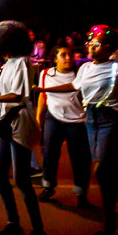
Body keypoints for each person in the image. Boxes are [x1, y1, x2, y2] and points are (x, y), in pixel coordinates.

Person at [42, 25, 118, 235]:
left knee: (102, 171)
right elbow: (73, 86)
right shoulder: (85, 68)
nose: (91, 46)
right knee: (111, 177)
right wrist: (43, 90)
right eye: (90, 42)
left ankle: (113, 230)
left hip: (114, 120)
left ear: (109, 47)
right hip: (92, 119)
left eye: (97, 43)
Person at [0, 21, 48, 235]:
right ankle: (13, 226)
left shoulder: (22, 62)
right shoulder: (9, 63)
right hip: (7, 123)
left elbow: (17, 95)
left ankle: (38, 231)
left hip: (19, 121)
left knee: (21, 179)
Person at [36, 44, 92, 208]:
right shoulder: (46, 74)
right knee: (49, 153)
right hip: (53, 118)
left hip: (77, 121)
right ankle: (48, 186)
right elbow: (43, 97)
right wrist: (39, 119)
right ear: (55, 59)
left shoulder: (79, 75)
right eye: (63, 55)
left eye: (70, 55)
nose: (68, 58)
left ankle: (81, 193)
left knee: (80, 158)